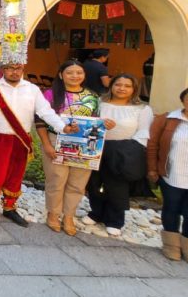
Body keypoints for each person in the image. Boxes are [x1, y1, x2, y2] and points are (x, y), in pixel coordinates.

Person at [0, 63, 78, 227]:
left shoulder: (32, 89)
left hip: (21, 138)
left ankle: (10, 207)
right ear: (3, 70)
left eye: (18, 68)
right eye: (10, 68)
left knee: (16, 173)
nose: (14, 72)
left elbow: (45, 111)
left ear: (23, 69)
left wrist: (63, 127)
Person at [36, 60, 108, 236]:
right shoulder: (50, 94)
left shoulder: (92, 96)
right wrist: (46, 144)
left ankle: (68, 216)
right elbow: (39, 121)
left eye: (79, 72)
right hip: (57, 140)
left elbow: (95, 121)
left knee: (78, 182)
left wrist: (106, 125)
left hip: (84, 143)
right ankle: (53, 213)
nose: (75, 76)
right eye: (70, 72)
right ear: (61, 75)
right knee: (56, 179)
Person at [84, 74, 153, 236]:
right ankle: (96, 213)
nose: (122, 88)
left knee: (117, 185)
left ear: (134, 89)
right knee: (94, 182)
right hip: (97, 147)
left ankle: (115, 219)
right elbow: (87, 122)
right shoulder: (99, 103)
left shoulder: (143, 109)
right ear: (111, 86)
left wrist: (129, 149)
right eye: (118, 84)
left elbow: (143, 132)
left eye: (127, 86)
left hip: (124, 151)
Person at [147, 87, 188, 261]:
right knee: (171, 208)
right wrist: (152, 168)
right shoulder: (167, 119)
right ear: (183, 100)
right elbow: (153, 144)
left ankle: (186, 246)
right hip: (172, 174)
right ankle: (171, 245)